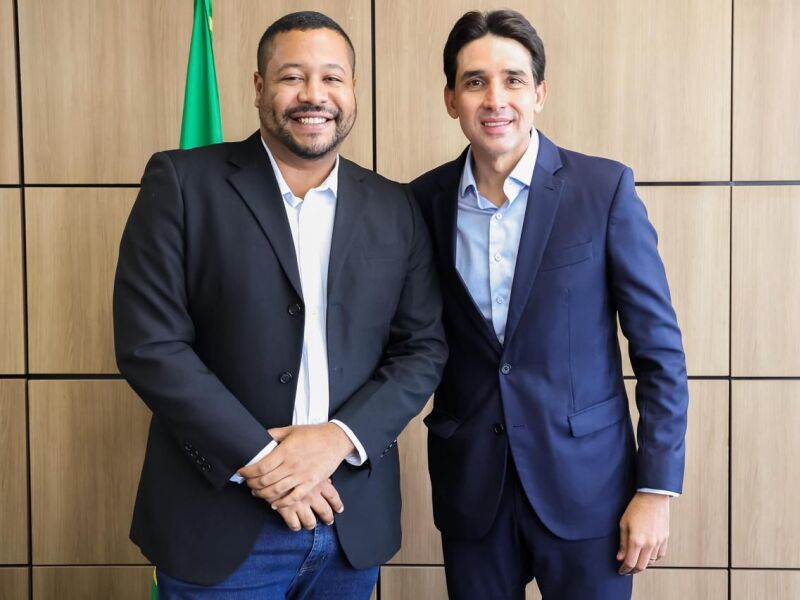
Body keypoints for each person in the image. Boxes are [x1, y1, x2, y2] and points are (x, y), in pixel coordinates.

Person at [113, 11, 446, 599]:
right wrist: (268, 462)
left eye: (332, 78)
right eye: (292, 76)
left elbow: (422, 350)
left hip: (349, 525)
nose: (313, 95)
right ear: (259, 86)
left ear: (353, 90)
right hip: (217, 522)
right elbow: (151, 345)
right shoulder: (183, 183)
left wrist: (339, 438)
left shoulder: (397, 206)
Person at [410, 9, 688, 600]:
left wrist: (656, 488)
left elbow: (659, 351)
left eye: (513, 80)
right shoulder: (419, 203)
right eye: (475, 81)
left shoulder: (603, 190)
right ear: (451, 99)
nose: (495, 99)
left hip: (591, 491)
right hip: (473, 492)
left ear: (538, 93)